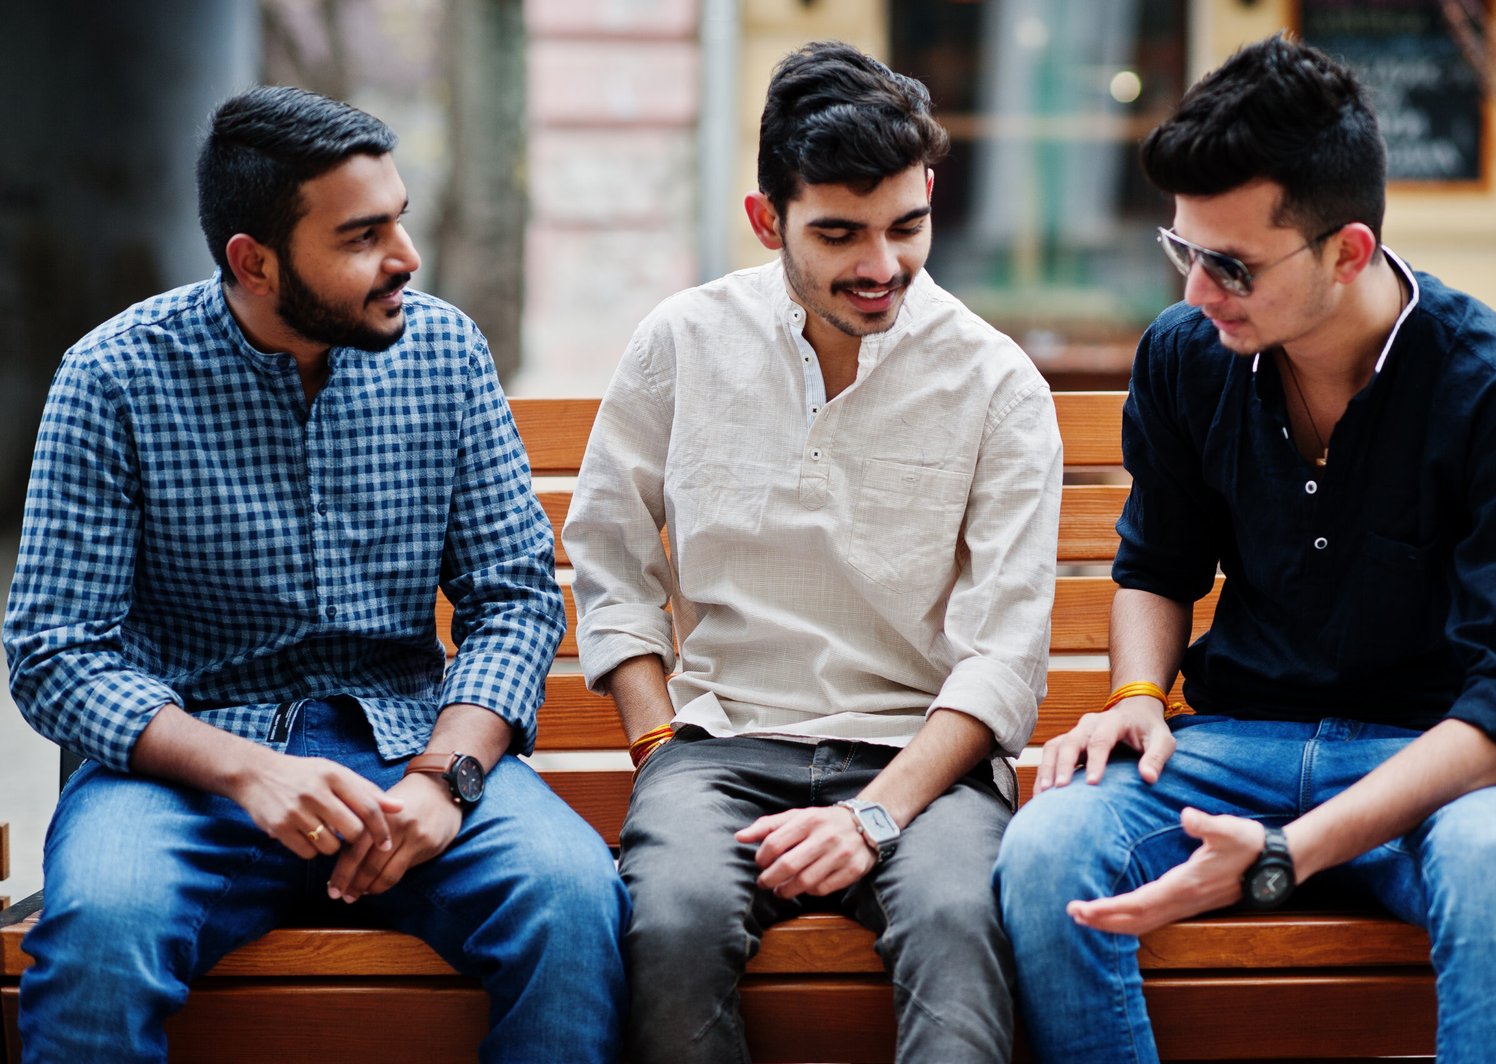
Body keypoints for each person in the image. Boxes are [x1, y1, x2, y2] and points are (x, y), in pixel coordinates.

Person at [3, 86, 628, 1064]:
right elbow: (54, 650)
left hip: (410, 749)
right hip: (184, 766)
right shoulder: (112, 377)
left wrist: (450, 776)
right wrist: (246, 769)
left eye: (399, 222)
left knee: (574, 898)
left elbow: (512, 595)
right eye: (361, 236)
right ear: (253, 260)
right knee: (101, 935)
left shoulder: (444, 352)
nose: (406, 261)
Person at [994, 32, 1496, 1064]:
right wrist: (1134, 697)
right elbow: (1155, 565)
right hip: (1235, 745)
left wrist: (1281, 855)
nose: (1195, 295)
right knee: (1043, 849)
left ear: (1346, 251)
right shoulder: (1188, 354)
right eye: (1183, 252)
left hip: (1433, 762)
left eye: (1231, 265)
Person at [563, 39, 1062, 1064]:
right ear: (765, 218)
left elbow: (1003, 651)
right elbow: (609, 549)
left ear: (931, 192)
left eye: (907, 226)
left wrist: (874, 816)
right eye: (838, 233)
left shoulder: (996, 382)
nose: (880, 266)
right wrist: (658, 742)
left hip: (922, 760)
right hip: (716, 748)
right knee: (669, 924)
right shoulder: (682, 340)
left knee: (963, 928)